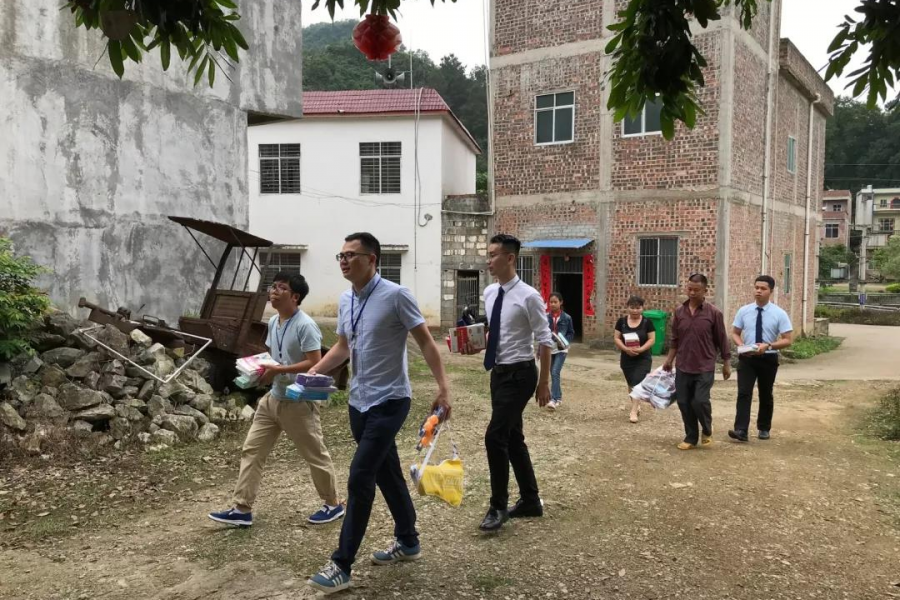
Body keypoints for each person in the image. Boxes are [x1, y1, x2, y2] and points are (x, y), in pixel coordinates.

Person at [306, 232, 451, 595]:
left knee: (360, 476)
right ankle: (408, 540)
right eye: (340, 254)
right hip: (359, 402)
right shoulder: (345, 299)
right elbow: (342, 346)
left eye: (351, 255)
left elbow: (425, 343)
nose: (343, 260)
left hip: (390, 401)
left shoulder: (396, 296)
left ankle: (342, 564)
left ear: (372, 260)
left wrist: (444, 388)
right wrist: (312, 374)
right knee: (387, 473)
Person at [208, 272, 343, 528]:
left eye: (281, 288)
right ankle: (242, 508)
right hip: (272, 400)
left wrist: (278, 370)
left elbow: (315, 363)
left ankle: (333, 504)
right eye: (273, 287)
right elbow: (274, 355)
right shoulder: (273, 322)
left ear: (295, 297)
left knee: (314, 454)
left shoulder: (305, 325)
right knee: (252, 450)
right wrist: (261, 370)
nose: (274, 291)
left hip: (297, 403)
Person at [463, 234, 554, 532]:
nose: (488, 260)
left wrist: (544, 383)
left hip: (521, 374)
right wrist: (478, 344)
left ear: (510, 258)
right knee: (513, 436)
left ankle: (498, 506)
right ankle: (530, 499)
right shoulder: (490, 292)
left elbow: (544, 339)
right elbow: (497, 332)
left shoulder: (529, 296)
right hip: (498, 373)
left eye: (493, 255)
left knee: (495, 437)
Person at [662, 273, 732, 450]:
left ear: (705, 291)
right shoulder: (679, 312)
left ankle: (707, 428)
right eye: (689, 289)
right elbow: (675, 340)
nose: (692, 293)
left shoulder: (714, 313)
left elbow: (722, 339)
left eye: (696, 290)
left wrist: (726, 362)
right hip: (684, 364)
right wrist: (669, 360)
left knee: (699, 400)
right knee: (684, 402)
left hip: (704, 365)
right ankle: (691, 437)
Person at [728, 275, 794, 442]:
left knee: (765, 393)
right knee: (744, 393)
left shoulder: (779, 314)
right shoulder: (744, 311)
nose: (758, 291)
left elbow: (787, 339)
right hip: (747, 358)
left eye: (763, 288)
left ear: (771, 291)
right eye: (756, 287)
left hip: (768, 358)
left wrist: (769, 346)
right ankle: (741, 430)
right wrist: (742, 345)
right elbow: (735, 333)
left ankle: (764, 427)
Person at [613, 295, 656, 423]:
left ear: (642, 308)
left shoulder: (647, 322)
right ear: (628, 308)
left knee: (637, 382)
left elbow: (652, 339)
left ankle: (633, 410)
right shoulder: (621, 322)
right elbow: (616, 338)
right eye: (632, 307)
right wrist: (626, 349)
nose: (635, 310)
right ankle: (636, 404)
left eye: (638, 308)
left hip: (643, 358)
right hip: (627, 358)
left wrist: (642, 349)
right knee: (631, 383)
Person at [546, 291, 575, 411]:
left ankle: (553, 399)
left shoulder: (567, 318)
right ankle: (558, 398)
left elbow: (571, 332)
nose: (552, 304)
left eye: (555, 302)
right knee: (552, 373)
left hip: (561, 349)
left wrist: (565, 342)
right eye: (551, 302)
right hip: (549, 348)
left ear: (561, 302)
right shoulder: (546, 317)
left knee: (555, 372)